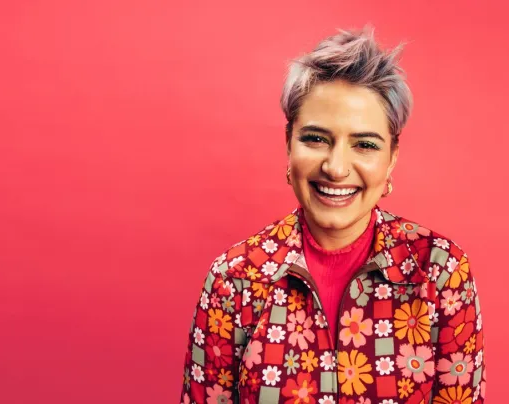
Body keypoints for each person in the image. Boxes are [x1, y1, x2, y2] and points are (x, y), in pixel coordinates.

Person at [179, 26, 486, 404]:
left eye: (365, 144)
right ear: (288, 144)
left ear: (392, 158)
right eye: (316, 139)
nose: (336, 168)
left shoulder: (439, 271)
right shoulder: (235, 279)